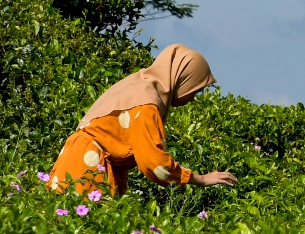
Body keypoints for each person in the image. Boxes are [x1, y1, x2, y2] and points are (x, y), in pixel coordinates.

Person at [47, 43, 237, 197]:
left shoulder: (139, 86)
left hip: (81, 160)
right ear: (183, 79)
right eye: (195, 90)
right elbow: (154, 163)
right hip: (86, 167)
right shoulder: (146, 103)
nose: (193, 98)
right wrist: (199, 179)